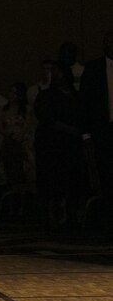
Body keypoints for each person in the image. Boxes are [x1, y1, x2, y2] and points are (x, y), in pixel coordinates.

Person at [34, 63, 85, 229]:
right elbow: (46, 118)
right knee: (51, 180)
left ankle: (71, 215)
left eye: (58, 72)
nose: (55, 76)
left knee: (72, 180)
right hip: (51, 145)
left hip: (71, 146)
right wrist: (68, 128)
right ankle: (50, 217)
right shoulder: (46, 96)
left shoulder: (76, 96)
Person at [79, 30, 113, 219]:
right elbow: (85, 102)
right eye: (109, 42)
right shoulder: (93, 69)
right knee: (106, 172)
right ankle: (108, 215)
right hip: (102, 130)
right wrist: (86, 133)